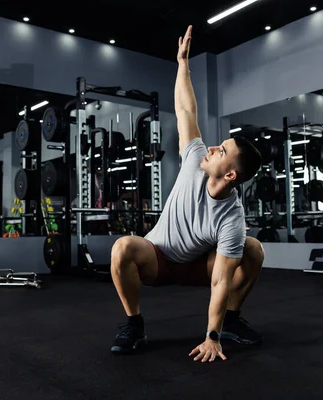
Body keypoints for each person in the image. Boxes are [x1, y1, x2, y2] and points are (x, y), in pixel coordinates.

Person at [109, 25, 265, 363]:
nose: (211, 148)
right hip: (159, 259)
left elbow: (221, 280)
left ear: (230, 174)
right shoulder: (195, 159)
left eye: (221, 150)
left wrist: (212, 336)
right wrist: (182, 64)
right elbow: (186, 111)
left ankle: (231, 324)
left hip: (199, 268)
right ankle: (134, 325)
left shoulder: (232, 220)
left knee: (253, 249)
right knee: (122, 246)